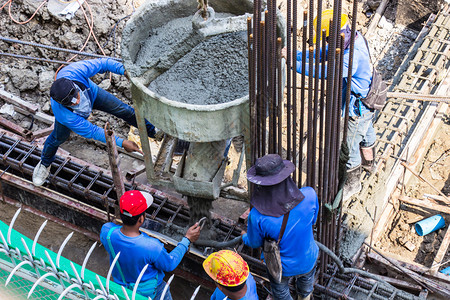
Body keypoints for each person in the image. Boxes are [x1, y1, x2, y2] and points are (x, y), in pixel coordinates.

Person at [282, 9, 376, 201]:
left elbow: (327, 70)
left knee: (349, 147)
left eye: (327, 39)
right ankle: (370, 163)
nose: (326, 43)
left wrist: (294, 65)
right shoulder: (352, 38)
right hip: (368, 98)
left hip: (356, 107)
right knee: (366, 134)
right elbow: (322, 54)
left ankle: (353, 183)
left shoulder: (352, 55)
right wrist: (297, 55)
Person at [32, 58, 160, 186]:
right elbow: (92, 131)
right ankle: (44, 164)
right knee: (58, 138)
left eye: (75, 95)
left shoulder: (75, 71)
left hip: (92, 94)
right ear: (62, 103)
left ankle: (154, 132)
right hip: (74, 115)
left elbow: (104, 63)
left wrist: (124, 71)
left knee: (125, 110)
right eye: (69, 102)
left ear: (73, 86)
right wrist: (122, 142)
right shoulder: (64, 114)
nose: (76, 101)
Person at [242, 154, 319, 300]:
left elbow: (254, 242)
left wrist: (243, 237)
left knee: (281, 293)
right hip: (308, 258)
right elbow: (313, 220)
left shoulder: (257, 216)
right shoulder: (309, 195)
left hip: (281, 268)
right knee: (306, 287)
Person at [100, 190, 201, 300]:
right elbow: (170, 264)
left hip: (122, 287)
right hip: (150, 291)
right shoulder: (152, 246)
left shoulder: (107, 232)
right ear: (141, 218)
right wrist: (187, 240)